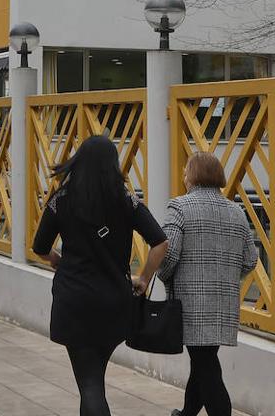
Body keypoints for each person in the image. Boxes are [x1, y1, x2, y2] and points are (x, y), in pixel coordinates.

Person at [32, 134, 169, 416]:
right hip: (113, 300)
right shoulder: (126, 201)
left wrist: (59, 262)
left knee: (89, 382)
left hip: (74, 299)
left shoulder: (62, 200)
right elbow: (160, 242)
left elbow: (39, 248)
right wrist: (143, 278)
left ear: (79, 161)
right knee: (94, 378)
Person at [160, 152, 259, 416]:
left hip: (190, 304)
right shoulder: (236, 212)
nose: (183, 177)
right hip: (223, 304)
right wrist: (224, 277)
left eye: (185, 172)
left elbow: (168, 255)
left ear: (193, 176)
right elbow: (251, 260)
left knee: (206, 366)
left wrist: (163, 276)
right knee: (202, 361)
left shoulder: (179, 207)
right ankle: (186, 413)